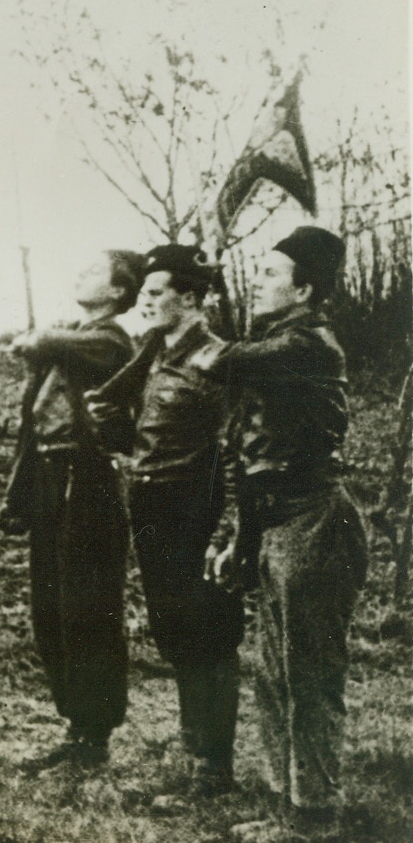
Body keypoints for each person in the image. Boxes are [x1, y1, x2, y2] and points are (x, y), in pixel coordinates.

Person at [191, 227, 367, 842]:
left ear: (305, 290)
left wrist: (200, 301)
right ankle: (284, 806)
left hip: (316, 520)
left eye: (270, 275)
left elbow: (213, 358)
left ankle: (315, 818)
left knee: (309, 673)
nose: (257, 283)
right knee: (274, 673)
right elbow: (248, 455)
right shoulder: (275, 340)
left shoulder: (307, 344)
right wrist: (239, 536)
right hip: (277, 520)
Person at [86, 244, 243, 796]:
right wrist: (127, 450)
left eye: (156, 294)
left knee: (207, 633)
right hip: (151, 504)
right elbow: (103, 403)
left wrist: (227, 530)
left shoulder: (220, 362)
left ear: (193, 300)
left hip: (194, 510)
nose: (144, 302)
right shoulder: (152, 351)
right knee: (174, 630)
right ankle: (196, 753)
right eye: (145, 293)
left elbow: (233, 451)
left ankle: (213, 767)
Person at [1, 249, 144, 771]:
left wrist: (39, 338)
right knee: (52, 607)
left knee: (87, 608)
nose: (79, 272)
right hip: (50, 480)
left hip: (90, 484)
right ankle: (77, 728)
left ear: (117, 293)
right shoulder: (75, 336)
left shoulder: (111, 340)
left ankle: (94, 736)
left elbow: (57, 344)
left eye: (92, 270)